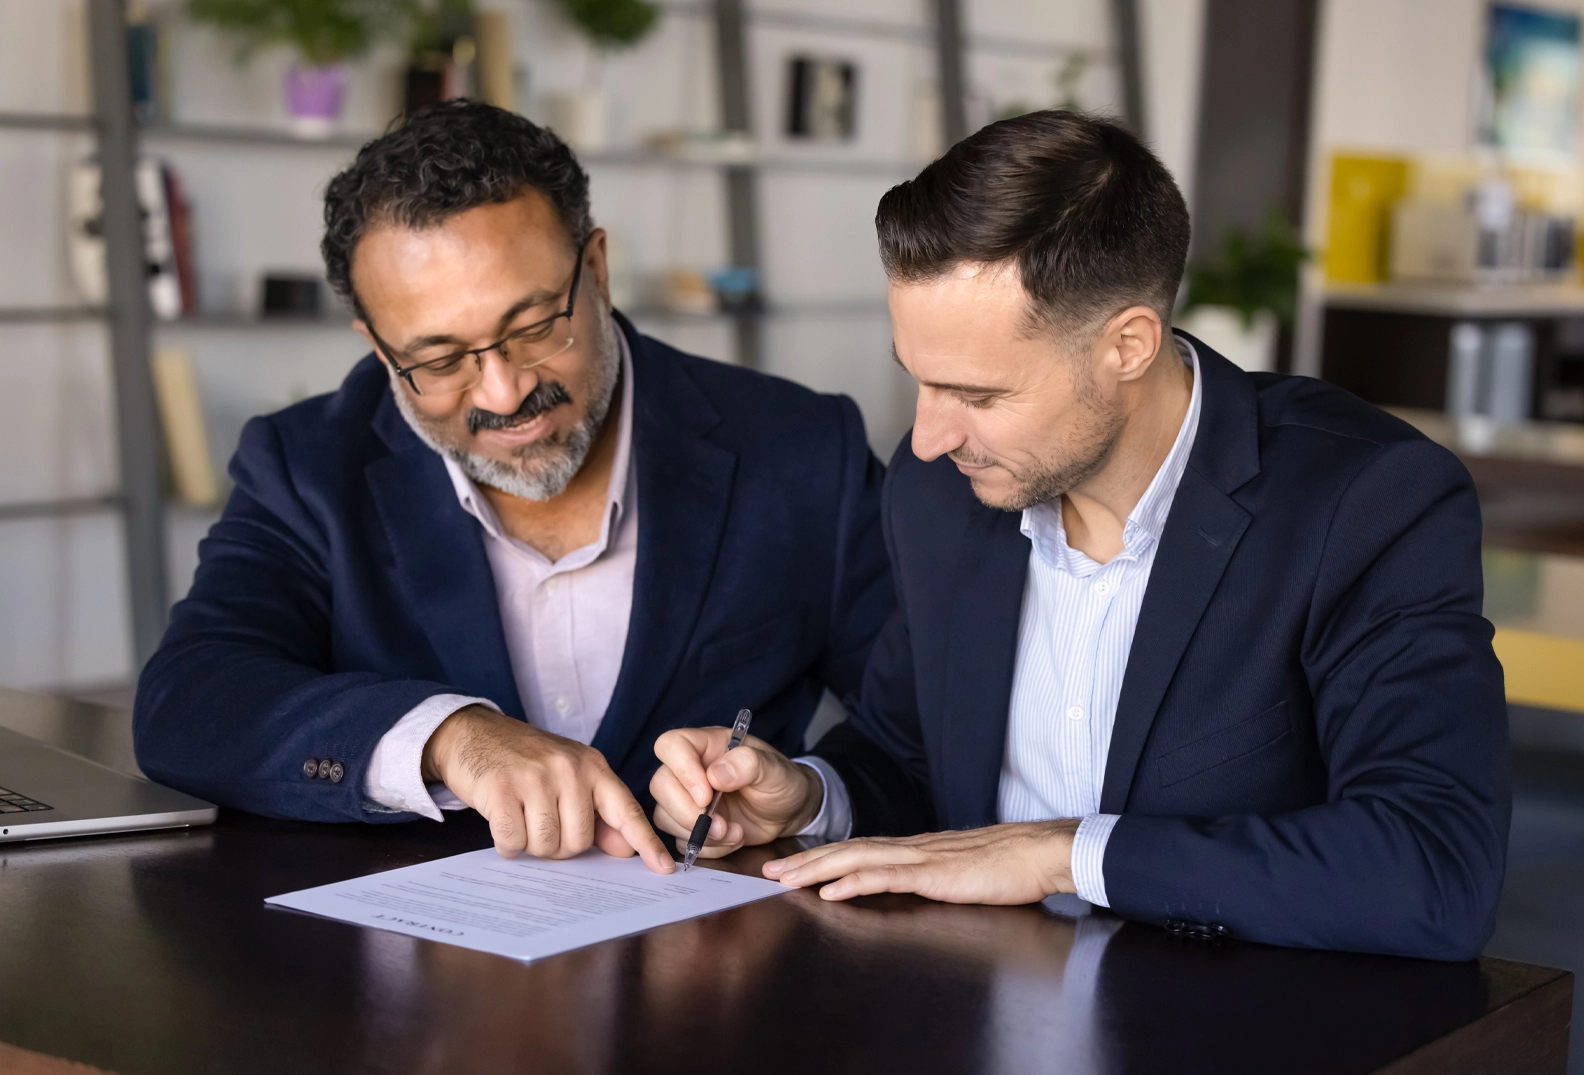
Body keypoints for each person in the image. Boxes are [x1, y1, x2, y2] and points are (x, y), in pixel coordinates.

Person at [650, 110, 1509, 959]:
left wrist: (1058, 853)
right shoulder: (937, 493)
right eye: (917, 379)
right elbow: (906, 750)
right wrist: (804, 795)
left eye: (978, 395)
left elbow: (1432, 869)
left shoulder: (1368, 499)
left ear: (1128, 344)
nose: (924, 437)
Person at [133, 101, 893, 875]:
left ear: (595, 269)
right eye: (438, 359)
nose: (501, 392)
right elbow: (189, 701)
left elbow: (933, 726)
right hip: (415, 973)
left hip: (728, 966)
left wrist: (809, 793)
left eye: (534, 327)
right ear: (377, 344)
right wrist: (446, 737)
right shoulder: (304, 465)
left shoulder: (802, 450)